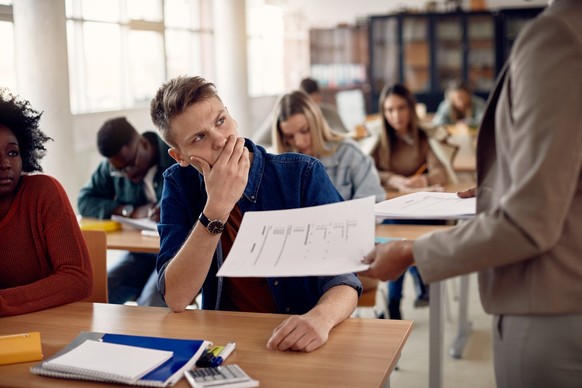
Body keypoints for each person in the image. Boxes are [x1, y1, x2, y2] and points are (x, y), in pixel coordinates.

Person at [362, 1, 582, 387]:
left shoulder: (558, 36)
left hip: (552, 304)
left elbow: (530, 223)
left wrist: (411, 252)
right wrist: (503, 188)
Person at [150, 76, 362, 352]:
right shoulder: (179, 185)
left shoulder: (302, 174)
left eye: (220, 121)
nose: (220, 139)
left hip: (305, 334)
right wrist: (217, 207)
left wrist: (321, 317)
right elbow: (176, 297)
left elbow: (345, 279)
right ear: (180, 157)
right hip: (228, 341)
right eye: (199, 137)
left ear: (232, 117)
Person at [0, 88, 92, 317]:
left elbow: (77, 278)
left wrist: (4, 303)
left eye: (12, 153)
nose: (5, 164)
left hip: (51, 326)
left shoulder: (43, 193)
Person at [371, 83, 458, 319]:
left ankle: (395, 303)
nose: (396, 116)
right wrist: (396, 180)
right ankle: (414, 283)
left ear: (410, 108)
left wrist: (423, 180)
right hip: (393, 210)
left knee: (396, 239)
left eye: (401, 108)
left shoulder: (423, 137)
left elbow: (440, 171)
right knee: (393, 236)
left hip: (423, 210)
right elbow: (370, 171)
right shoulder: (380, 140)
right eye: (389, 110)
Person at [78, 117, 174, 306]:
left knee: (151, 303)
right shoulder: (115, 165)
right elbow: (84, 201)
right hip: (140, 254)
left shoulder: (176, 157)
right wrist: (128, 210)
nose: (127, 174)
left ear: (144, 144)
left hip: (175, 254)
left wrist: (173, 213)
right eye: (120, 171)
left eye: (130, 165)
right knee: (96, 293)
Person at [272, 90, 385, 203]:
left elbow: (372, 202)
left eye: (304, 130)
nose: (299, 142)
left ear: (316, 123)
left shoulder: (349, 153)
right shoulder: (278, 165)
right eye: (289, 137)